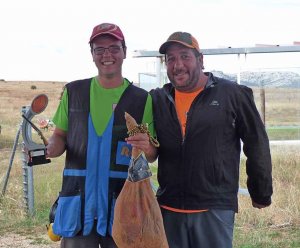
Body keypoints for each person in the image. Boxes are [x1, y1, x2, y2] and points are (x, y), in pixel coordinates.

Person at [126, 31, 273, 248]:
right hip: (169, 208)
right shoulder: (158, 99)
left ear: (200, 59)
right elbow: (153, 152)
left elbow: (257, 143)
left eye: (185, 56)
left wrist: (261, 191)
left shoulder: (232, 94)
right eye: (171, 59)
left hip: (213, 208)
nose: (178, 65)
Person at [46, 22, 154, 248]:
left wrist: (147, 147)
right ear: (92, 55)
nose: (107, 55)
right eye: (99, 49)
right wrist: (50, 148)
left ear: (124, 52)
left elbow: (151, 155)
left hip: (122, 207)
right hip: (78, 205)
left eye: (114, 48)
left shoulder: (142, 99)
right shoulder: (73, 92)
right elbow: (59, 135)